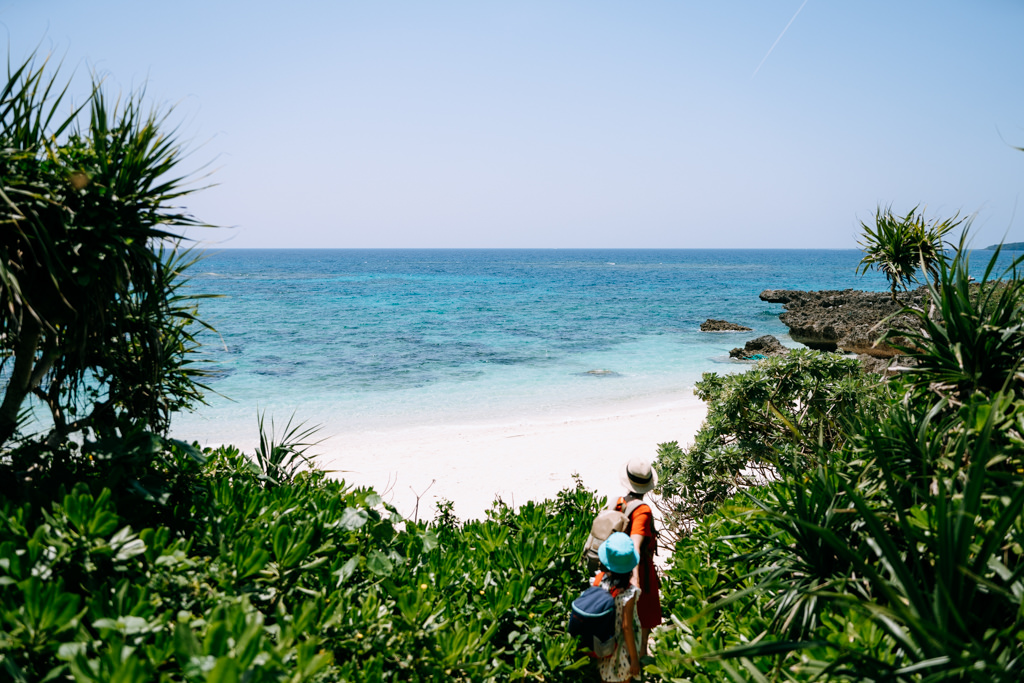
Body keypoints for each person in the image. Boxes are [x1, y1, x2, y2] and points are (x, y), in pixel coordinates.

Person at [620, 457, 662, 657]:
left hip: (617, 566)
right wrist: (635, 578)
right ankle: (641, 656)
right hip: (640, 569)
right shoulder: (643, 511)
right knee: (645, 616)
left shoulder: (619, 502)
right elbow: (635, 546)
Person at [595, 532, 641, 683]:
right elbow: (626, 627)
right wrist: (634, 659)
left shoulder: (598, 581)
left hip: (602, 646)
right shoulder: (629, 593)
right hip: (620, 648)